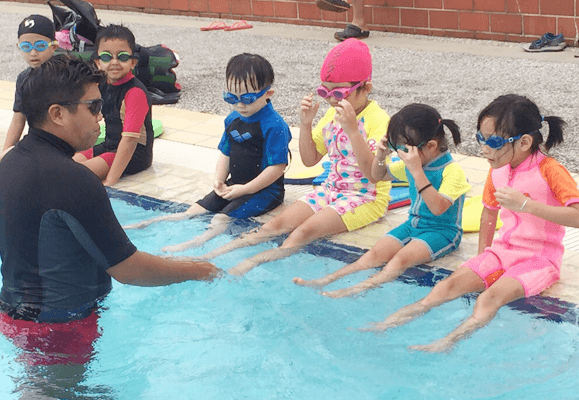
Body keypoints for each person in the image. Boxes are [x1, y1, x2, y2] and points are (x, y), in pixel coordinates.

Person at [0, 54, 219, 331]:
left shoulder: (11, 161)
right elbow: (129, 270)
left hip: (7, 313)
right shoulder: (74, 179)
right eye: (93, 106)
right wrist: (199, 270)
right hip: (58, 331)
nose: (100, 116)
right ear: (57, 114)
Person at [363, 94, 579, 352]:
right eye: (481, 138)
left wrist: (527, 205)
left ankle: (446, 343)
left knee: (491, 297)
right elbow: (489, 214)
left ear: (524, 142)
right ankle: (387, 324)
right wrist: (482, 259)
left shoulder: (551, 171)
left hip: (539, 258)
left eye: (493, 141)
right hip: (502, 252)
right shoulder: (498, 169)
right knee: (447, 285)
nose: (484, 148)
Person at [193, 38, 391, 276]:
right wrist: (306, 124)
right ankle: (214, 255)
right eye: (324, 91)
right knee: (275, 225)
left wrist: (352, 130)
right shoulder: (331, 114)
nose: (330, 99)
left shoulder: (379, 121)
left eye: (339, 92)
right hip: (331, 189)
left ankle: (250, 264)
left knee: (303, 232)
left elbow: (374, 174)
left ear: (365, 88)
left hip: (365, 196)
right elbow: (309, 159)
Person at [294, 104, 471, 298]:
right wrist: (381, 155)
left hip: (442, 232)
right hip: (413, 224)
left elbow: (438, 208)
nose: (400, 155)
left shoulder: (451, 171)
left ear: (431, 146)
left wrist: (416, 171)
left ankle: (353, 291)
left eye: (403, 149)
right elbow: (377, 176)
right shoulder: (415, 161)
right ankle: (323, 281)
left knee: (399, 261)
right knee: (373, 255)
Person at [125, 53, 291, 252]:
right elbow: (225, 153)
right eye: (231, 97)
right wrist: (218, 180)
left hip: (265, 192)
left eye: (247, 98)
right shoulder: (232, 119)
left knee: (221, 217)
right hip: (234, 186)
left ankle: (196, 243)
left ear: (267, 93)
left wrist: (245, 189)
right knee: (196, 209)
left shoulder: (274, 125)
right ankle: (153, 222)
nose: (239, 104)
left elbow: (278, 167)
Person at [73, 24, 154, 186]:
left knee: (76, 176)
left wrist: (111, 179)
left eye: (122, 57)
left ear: (133, 63)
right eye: (106, 57)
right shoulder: (103, 84)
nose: (114, 62)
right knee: (67, 163)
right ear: (98, 63)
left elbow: (130, 140)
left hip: (134, 154)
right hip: (109, 145)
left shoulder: (135, 92)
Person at [0, 14, 58, 179]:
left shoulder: (64, 75)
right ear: (19, 47)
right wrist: (4, 156)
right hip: (36, 140)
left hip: (59, 141)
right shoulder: (23, 79)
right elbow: (18, 119)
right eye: (26, 47)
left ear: (54, 47)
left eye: (41, 46)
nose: (33, 53)